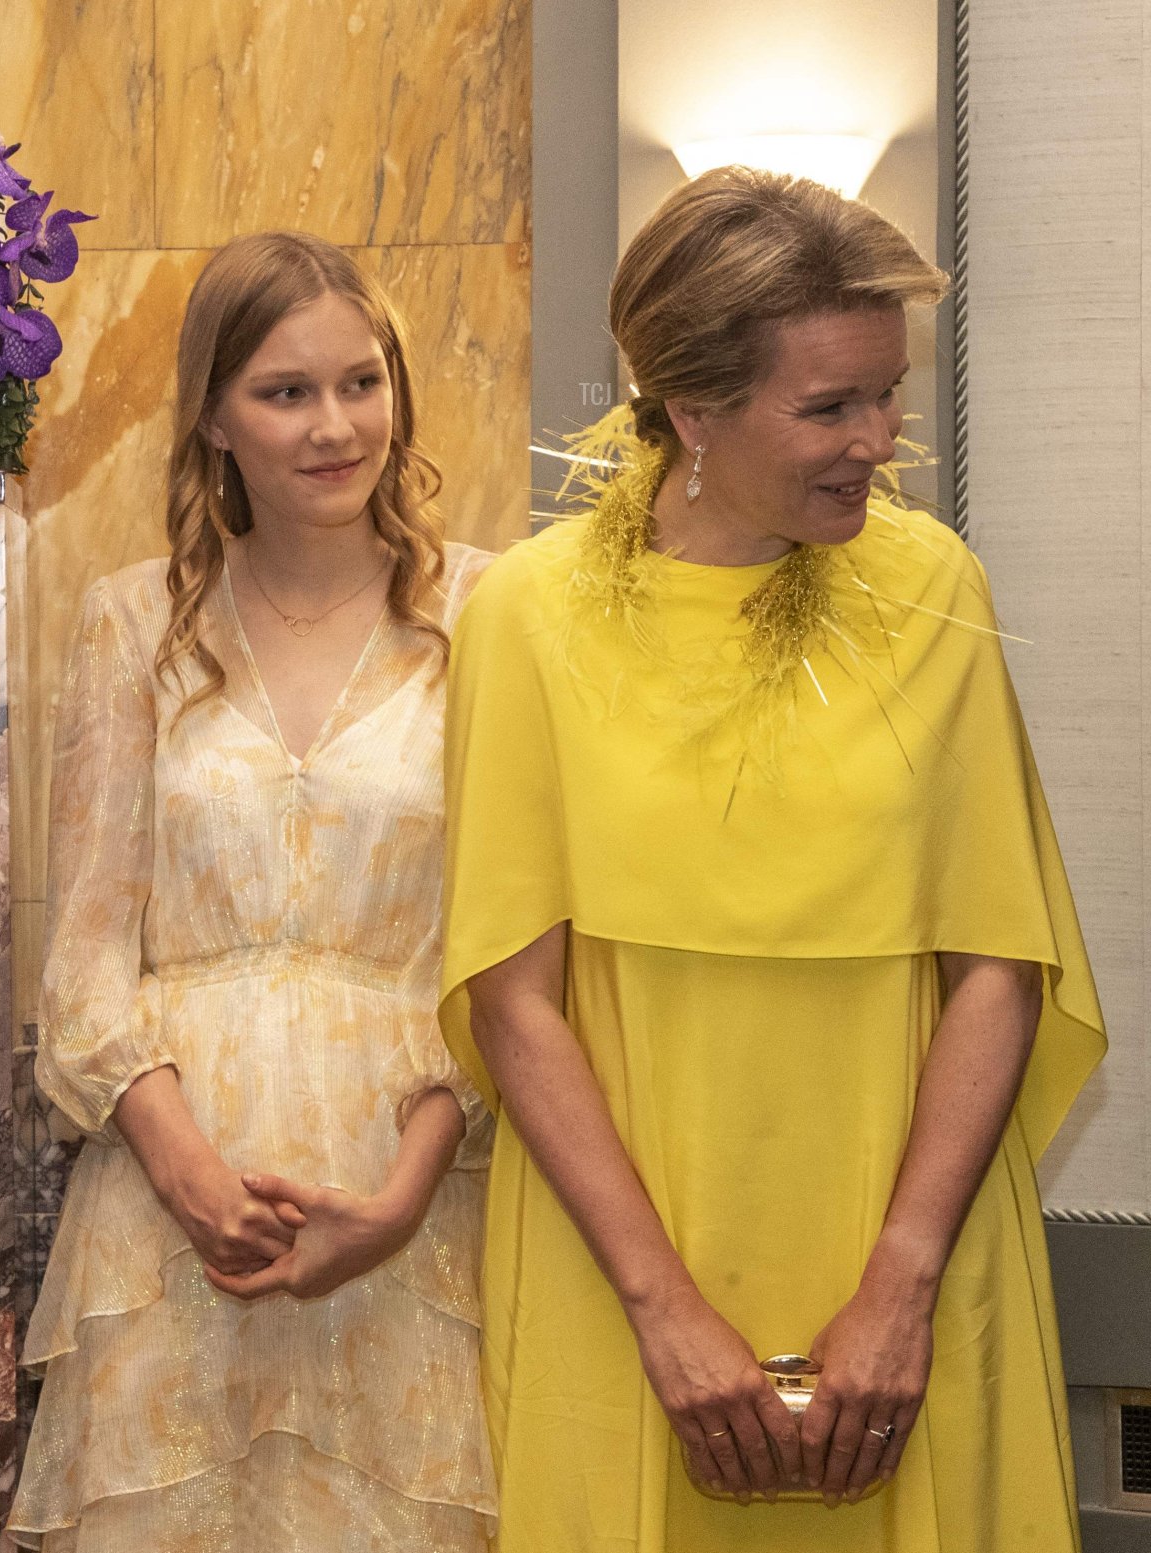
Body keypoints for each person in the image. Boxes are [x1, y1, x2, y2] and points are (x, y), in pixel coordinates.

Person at [439, 168, 1106, 1553]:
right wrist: (664, 1308)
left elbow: (1002, 958)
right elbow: (514, 999)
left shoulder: (936, 589)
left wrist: (902, 1286)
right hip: (623, 1264)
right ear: (694, 410)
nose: (880, 436)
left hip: (905, 1246)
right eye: (830, 406)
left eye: (886, 392)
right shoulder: (525, 618)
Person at [8, 231, 496, 1552]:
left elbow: (512, 952)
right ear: (215, 417)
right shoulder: (132, 621)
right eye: (287, 391)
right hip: (172, 1228)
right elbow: (87, 954)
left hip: (412, 1215)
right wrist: (188, 1173)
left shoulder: (493, 617)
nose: (337, 425)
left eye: (363, 381)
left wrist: (397, 1198)